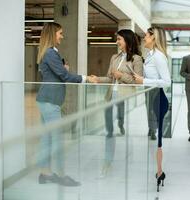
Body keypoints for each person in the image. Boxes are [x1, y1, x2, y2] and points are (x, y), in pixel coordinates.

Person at [36, 22, 88, 186]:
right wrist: (85, 78)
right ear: (53, 34)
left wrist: (63, 69)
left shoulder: (48, 52)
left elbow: (54, 74)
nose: (62, 36)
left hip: (46, 100)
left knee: (46, 139)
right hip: (50, 102)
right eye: (60, 33)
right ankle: (61, 175)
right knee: (57, 140)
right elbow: (64, 77)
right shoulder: (51, 53)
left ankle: (45, 173)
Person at [134, 26, 171, 192]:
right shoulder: (149, 55)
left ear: (153, 38)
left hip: (159, 99)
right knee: (157, 141)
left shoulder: (159, 57)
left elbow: (166, 81)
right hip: (152, 98)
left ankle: (160, 172)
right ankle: (159, 171)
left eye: (146, 36)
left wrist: (144, 81)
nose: (144, 39)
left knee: (159, 142)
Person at [88, 29, 143, 137]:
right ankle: (109, 132)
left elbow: (138, 81)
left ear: (127, 40)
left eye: (119, 39)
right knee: (107, 112)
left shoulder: (136, 59)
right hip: (111, 92)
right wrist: (98, 79)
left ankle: (121, 126)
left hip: (125, 94)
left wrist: (121, 75)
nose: (117, 42)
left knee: (121, 113)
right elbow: (110, 78)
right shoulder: (114, 57)